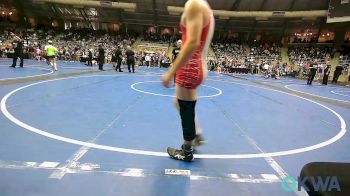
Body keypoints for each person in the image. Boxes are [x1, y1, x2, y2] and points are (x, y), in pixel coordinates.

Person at [162, 0, 214, 162]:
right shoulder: (203, 5)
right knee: (179, 103)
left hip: (189, 67)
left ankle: (187, 151)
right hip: (197, 65)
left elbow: (192, 43)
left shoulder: (194, 5)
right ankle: (196, 133)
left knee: (185, 109)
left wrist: (171, 72)